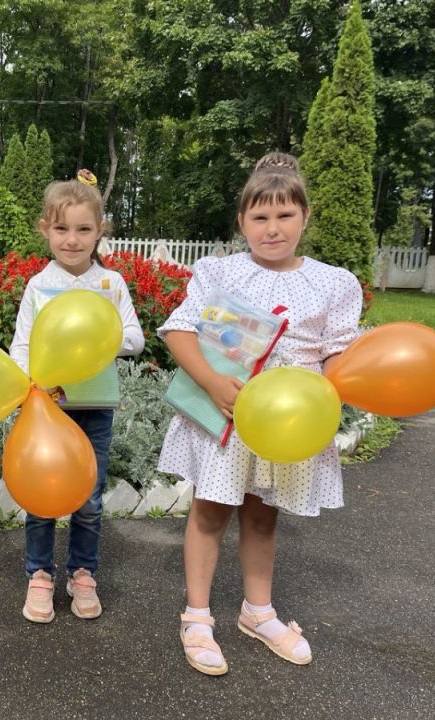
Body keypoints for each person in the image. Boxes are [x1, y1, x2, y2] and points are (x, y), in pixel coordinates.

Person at [157, 152, 363, 675]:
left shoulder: (334, 282)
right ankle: (197, 616)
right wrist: (210, 380)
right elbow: (180, 330)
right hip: (225, 418)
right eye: (260, 217)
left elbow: (340, 353)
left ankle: (258, 611)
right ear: (242, 222)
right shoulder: (218, 271)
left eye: (285, 216)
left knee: (262, 514)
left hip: (287, 427)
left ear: (304, 217)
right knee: (209, 511)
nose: (273, 229)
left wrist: (343, 385)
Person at [9, 170, 144, 623]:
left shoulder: (111, 285)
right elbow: (21, 346)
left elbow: (135, 339)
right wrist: (31, 381)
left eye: (84, 229)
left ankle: (83, 572)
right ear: (45, 229)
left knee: (88, 498)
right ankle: (39, 574)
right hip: (47, 411)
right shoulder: (38, 287)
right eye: (62, 228)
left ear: (99, 231)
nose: (72, 239)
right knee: (41, 497)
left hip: (95, 408)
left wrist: (96, 339)